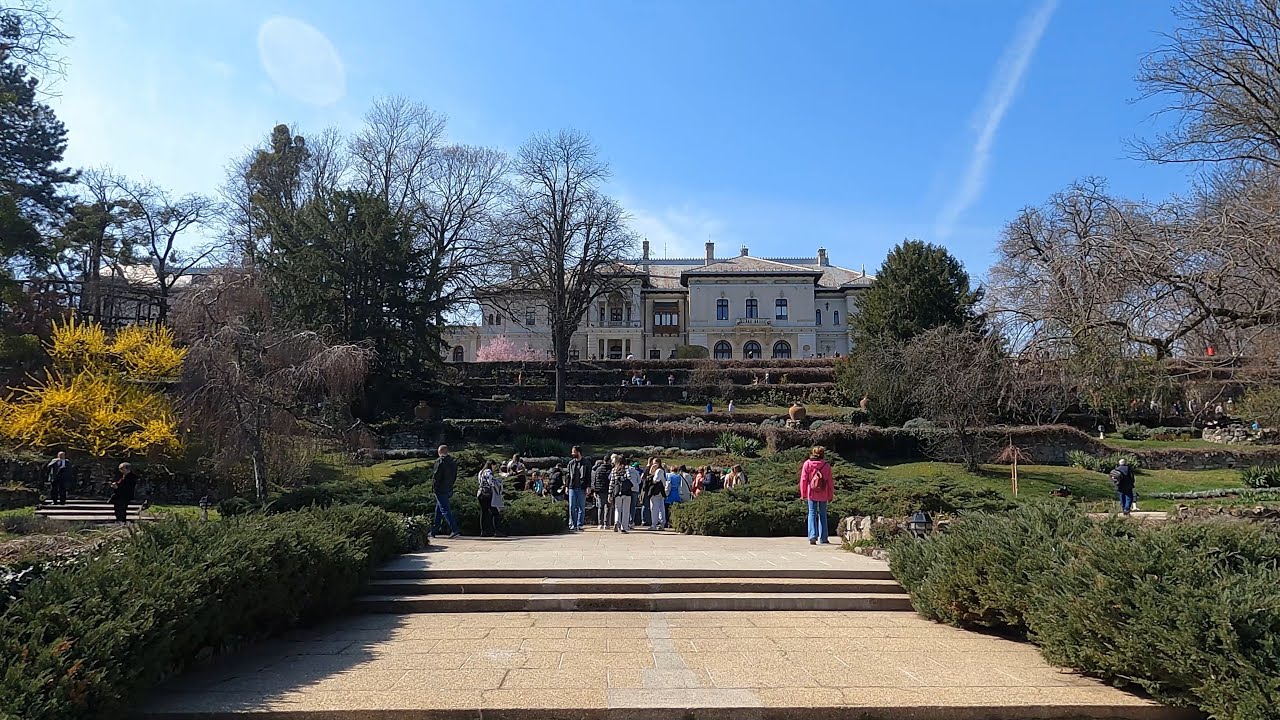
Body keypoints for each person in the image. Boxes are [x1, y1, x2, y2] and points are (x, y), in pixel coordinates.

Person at [799, 446, 834, 545]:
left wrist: (803, 493)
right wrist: (830, 495)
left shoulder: (807, 464)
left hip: (811, 492)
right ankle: (823, 537)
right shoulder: (826, 465)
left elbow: (803, 480)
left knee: (812, 513)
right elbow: (830, 482)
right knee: (823, 514)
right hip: (823, 492)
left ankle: (812, 536)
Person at [430, 445, 460, 538]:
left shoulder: (440, 461)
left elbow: (436, 476)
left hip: (440, 489)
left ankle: (454, 529)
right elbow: (454, 476)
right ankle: (434, 530)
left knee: (445, 510)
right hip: (448, 488)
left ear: (439, 452)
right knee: (439, 509)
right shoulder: (452, 462)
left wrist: (434, 487)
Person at [477, 460, 505, 537]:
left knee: (484, 512)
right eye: (494, 466)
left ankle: (484, 531)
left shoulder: (481, 472)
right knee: (495, 512)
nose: (494, 468)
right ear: (492, 465)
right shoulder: (488, 472)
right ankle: (498, 531)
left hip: (480, 493)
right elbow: (491, 482)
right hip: (488, 494)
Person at [609, 455, 633, 533]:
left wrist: (610, 493)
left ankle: (616, 521)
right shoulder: (626, 468)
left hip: (617, 490)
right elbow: (629, 478)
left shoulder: (614, 470)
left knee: (617, 508)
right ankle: (624, 527)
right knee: (626, 509)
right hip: (627, 491)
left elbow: (611, 482)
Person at [566, 448, 589, 531]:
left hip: (582, 487)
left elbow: (588, 476)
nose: (572, 454)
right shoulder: (571, 463)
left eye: (573, 452)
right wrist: (566, 486)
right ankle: (573, 524)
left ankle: (580, 524)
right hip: (572, 487)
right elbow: (568, 475)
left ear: (578, 452)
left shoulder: (586, 463)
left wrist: (588, 486)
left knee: (581, 507)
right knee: (572, 506)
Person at [645, 461, 668, 530]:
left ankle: (654, 524)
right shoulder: (661, 471)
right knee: (661, 508)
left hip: (656, 492)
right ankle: (661, 523)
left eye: (655, 463)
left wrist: (652, 472)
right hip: (660, 492)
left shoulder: (659, 471)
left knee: (654, 508)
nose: (653, 465)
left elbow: (655, 480)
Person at [591, 457, 612, 529]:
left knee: (600, 507)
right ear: (609, 461)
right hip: (608, 490)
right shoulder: (611, 469)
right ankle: (607, 524)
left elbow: (595, 480)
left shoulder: (598, 469)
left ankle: (600, 523)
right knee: (608, 507)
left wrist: (595, 490)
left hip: (600, 491)